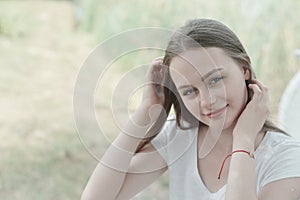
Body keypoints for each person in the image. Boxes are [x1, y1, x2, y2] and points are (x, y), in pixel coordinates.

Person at [81, 18, 300, 200]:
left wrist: (243, 140)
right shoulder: (181, 138)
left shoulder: (286, 157)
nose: (207, 101)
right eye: (189, 91)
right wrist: (146, 110)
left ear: (244, 69)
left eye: (215, 80)